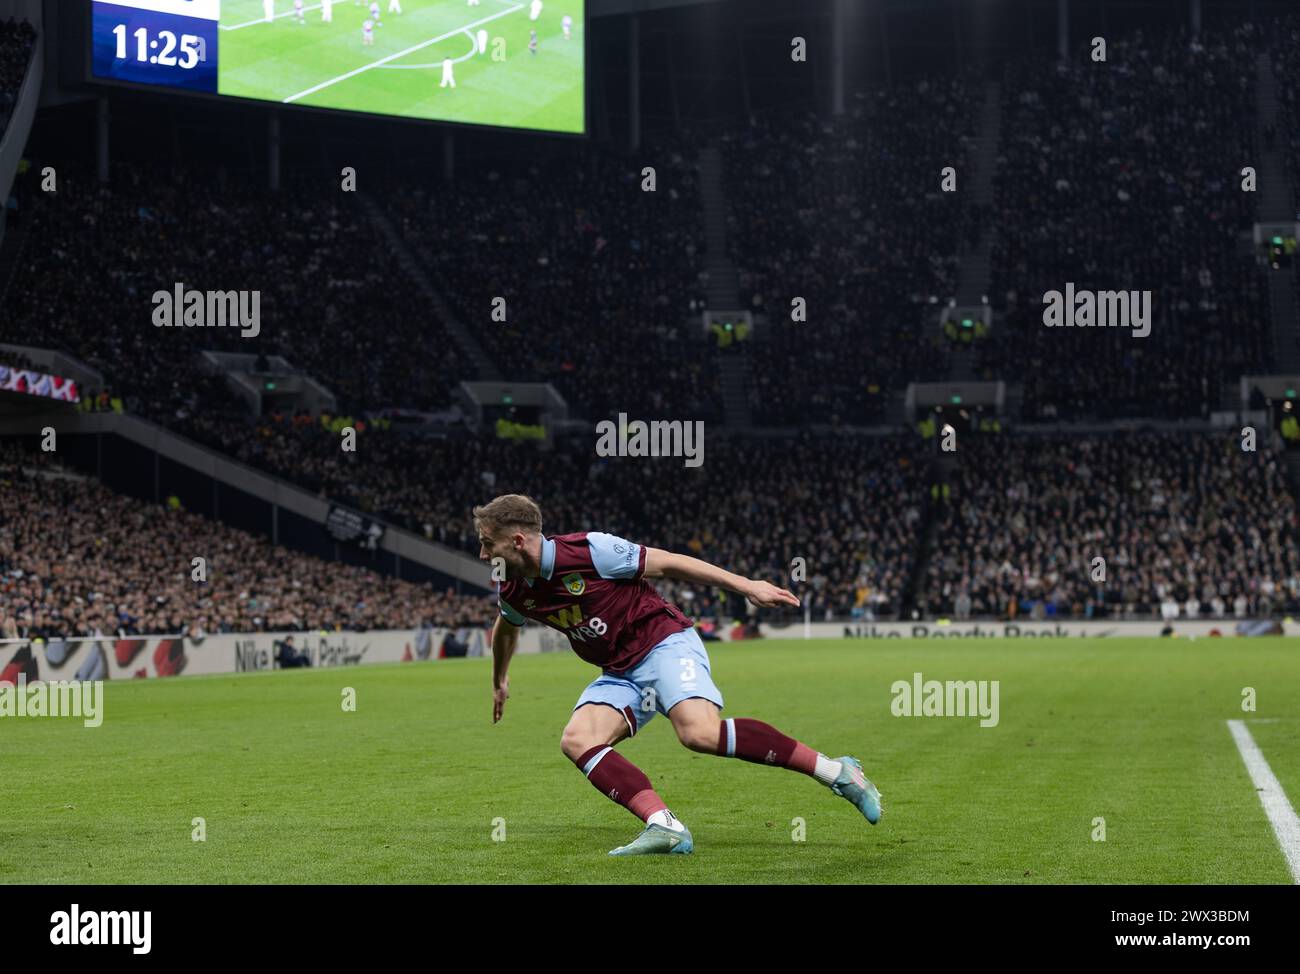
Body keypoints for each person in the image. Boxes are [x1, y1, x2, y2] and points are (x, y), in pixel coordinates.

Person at [476, 493, 882, 857]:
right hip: (619, 671)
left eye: (486, 543)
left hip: (663, 644)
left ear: (516, 542)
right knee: (577, 739)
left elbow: (669, 563)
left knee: (699, 734)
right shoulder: (513, 588)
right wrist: (499, 680)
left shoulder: (590, 550)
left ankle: (837, 772)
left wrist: (745, 586)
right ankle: (665, 827)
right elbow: (507, 628)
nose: (482, 555)